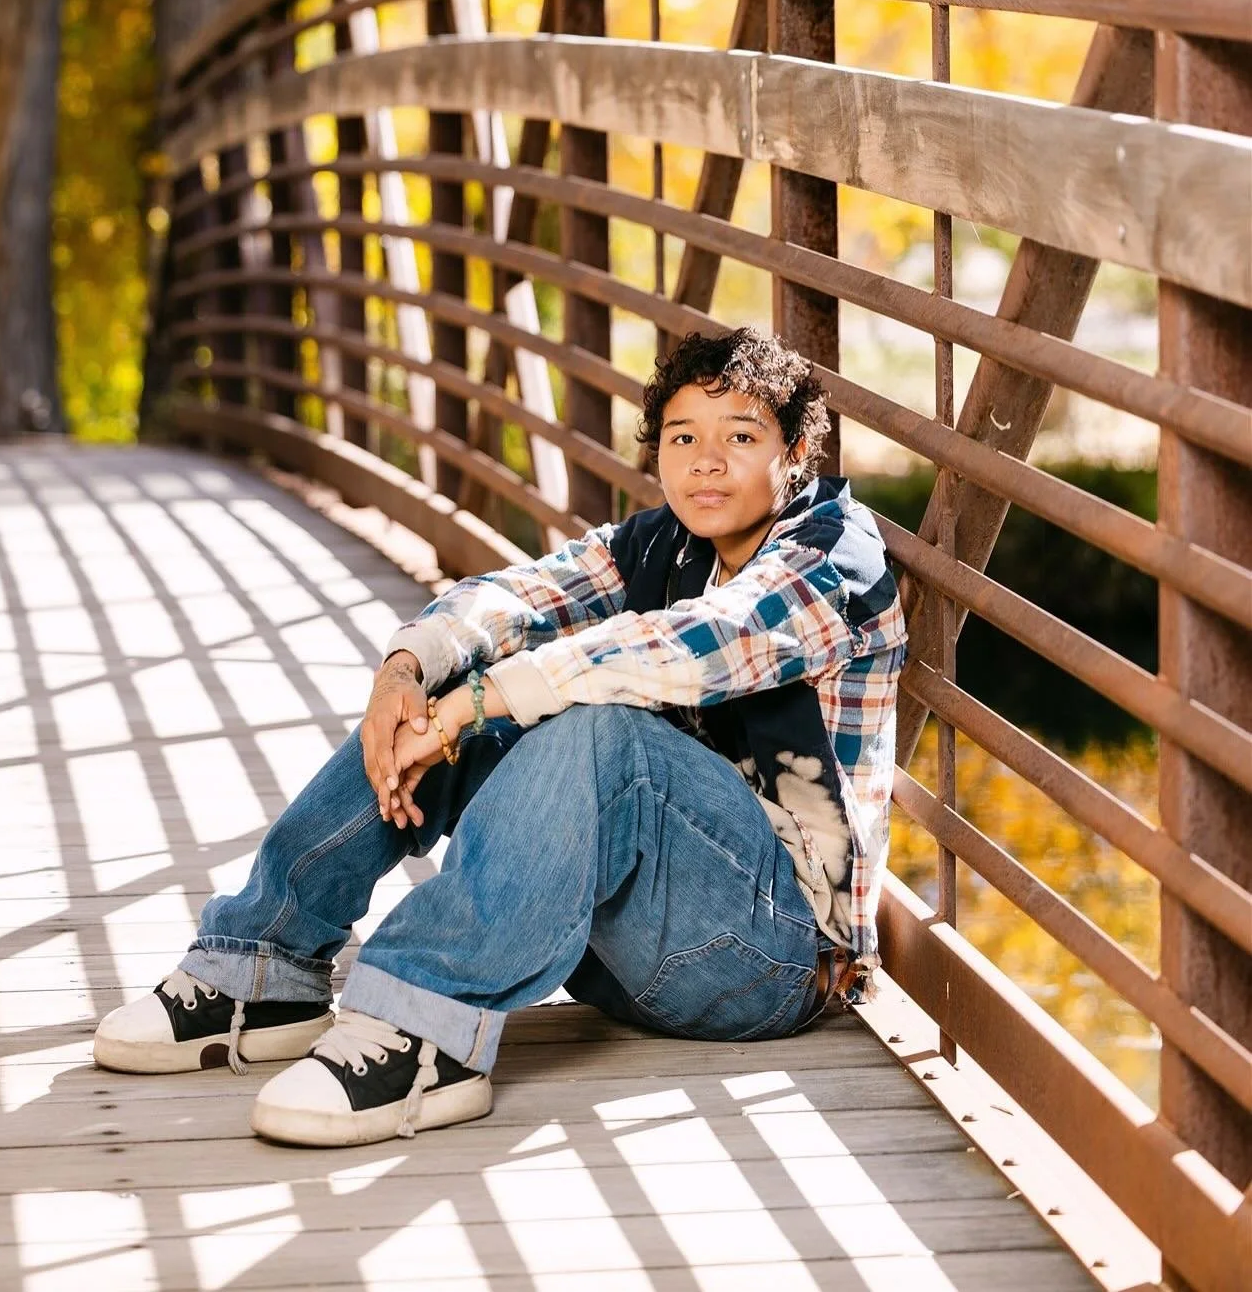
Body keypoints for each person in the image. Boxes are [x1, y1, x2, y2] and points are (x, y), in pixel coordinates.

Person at [93, 327, 906, 1148]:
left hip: (774, 960)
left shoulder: (833, 556)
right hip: (628, 936)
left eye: (741, 436)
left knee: (591, 726)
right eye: (683, 438)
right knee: (456, 682)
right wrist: (411, 668)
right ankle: (262, 968)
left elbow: (696, 646)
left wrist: (477, 701)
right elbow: (521, 594)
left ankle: (424, 1023)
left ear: (796, 449)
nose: (706, 461)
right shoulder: (663, 544)